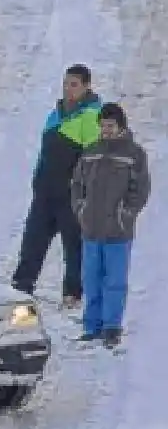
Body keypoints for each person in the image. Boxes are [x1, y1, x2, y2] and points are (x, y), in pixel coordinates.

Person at [12, 64, 102, 307]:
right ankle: (22, 284)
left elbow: (92, 157)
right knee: (33, 239)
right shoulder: (56, 114)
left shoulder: (92, 116)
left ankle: (72, 293)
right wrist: (37, 177)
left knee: (73, 244)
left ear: (86, 86)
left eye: (74, 84)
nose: (68, 89)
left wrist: (82, 188)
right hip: (45, 190)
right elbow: (45, 151)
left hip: (71, 192)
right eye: (65, 83)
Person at [71, 103, 150, 347]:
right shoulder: (91, 151)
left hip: (118, 231)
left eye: (110, 126)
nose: (106, 130)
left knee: (114, 280)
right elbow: (77, 184)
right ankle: (91, 326)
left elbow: (141, 190)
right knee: (91, 279)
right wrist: (81, 209)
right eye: (103, 126)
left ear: (121, 127)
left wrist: (125, 214)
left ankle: (112, 327)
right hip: (91, 230)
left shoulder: (134, 154)